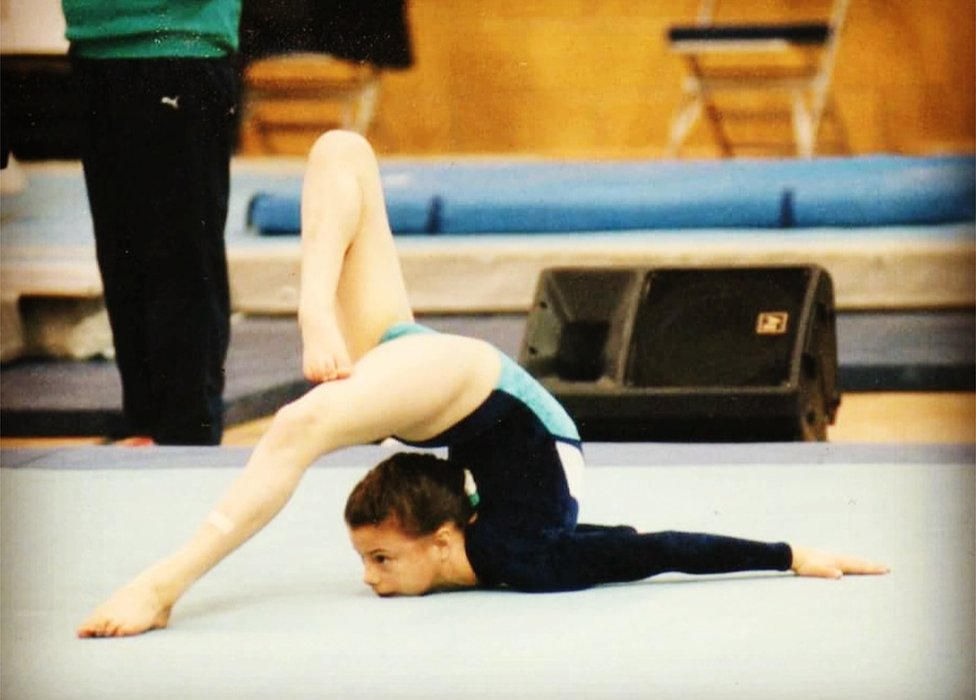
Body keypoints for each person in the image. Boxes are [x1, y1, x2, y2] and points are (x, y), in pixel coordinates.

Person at [77, 130, 888, 637]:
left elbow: (636, 542)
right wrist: (791, 554)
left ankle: (163, 583)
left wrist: (780, 551)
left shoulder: (497, 542)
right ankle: (310, 319)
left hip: (452, 399)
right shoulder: (527, 558)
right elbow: (653, 551)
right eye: (376, 561)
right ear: (443, 540)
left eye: (376, 561)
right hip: (476, 388)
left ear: (441, 535)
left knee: (339, 166)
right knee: (338, 153)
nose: (371, 580)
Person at [62, 0, 241, 445]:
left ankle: (187, 432)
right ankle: (143, 420)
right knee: (122, 256)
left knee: (181, 259)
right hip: (95, 47)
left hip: (179, 48)